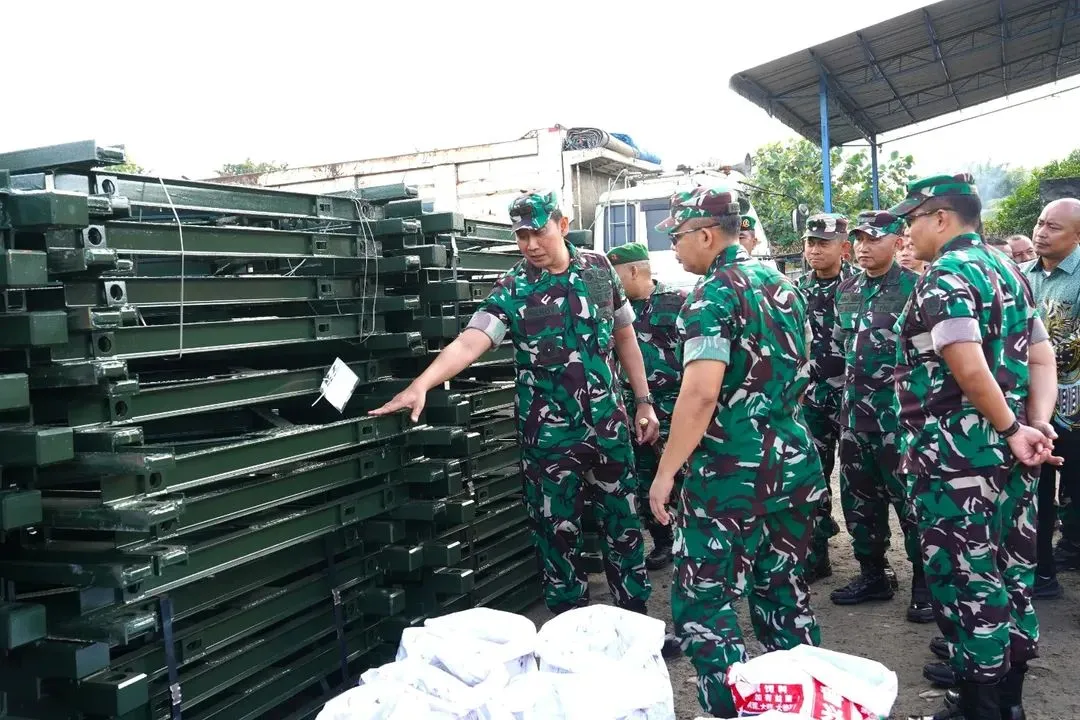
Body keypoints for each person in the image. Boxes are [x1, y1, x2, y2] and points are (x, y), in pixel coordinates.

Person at [371, 191, 659, 618]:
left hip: (609, 429)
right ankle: (568, 633)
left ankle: (635, 625)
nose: (530, 245)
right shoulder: (513, 287)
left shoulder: (599, 270)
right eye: (521, 236)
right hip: (549, 439)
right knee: (557, 536)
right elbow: (471, 340)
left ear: (561, 225)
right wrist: (423, 384)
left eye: (538, 232)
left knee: (623, 526)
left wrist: (643, 401)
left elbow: (625, 338)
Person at [647, 186, 823, 718]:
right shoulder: (783, 285)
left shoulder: (712, 295)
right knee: (784, 595)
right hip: (790, 466)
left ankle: (728, 709)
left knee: (705, 602)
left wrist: (665, 473)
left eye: (678, 236)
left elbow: (699, 394)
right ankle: (800, 704)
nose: (675, 249)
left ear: (705, 233)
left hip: (728, 479)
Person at [889, 174, 1061, 720]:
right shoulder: (1008, 268)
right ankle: (1007, 703)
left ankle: (980, 707)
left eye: (910, 219)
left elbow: (966, 363)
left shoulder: (947, 275)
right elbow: (1042, 356)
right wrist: (1033, 423)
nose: (904, 232)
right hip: (1011, 455)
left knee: (966, 581)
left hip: (957, 461)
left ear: (940, 217)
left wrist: (1013, 429)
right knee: (1011, 573)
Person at [830, 211, 932, 623]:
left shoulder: (916, 289)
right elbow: (841, 347)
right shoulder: (848, 290)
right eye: (858, 239)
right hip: (855, 419)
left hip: (899, 421)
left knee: (911, 504)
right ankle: (874, 573)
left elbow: (928, 357)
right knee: (859, 502)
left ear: (897, 241)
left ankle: (925, 585)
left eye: (873, 239)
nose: (863, 247)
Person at [607, 241, 687, 571]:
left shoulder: (678, 301)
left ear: (635, 270)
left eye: (615, 276)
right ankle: (663, 541)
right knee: (643, 477)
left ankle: (691, 539)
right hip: (634, 408)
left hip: (677, 405)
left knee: (684, 473)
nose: (609, 283)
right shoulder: (613, 311)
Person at [796, 213, 859, 583]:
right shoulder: (797, 289)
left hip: (855, 400)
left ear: (843, 247)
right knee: (811, 476)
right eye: (810, 243)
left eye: (824, 243)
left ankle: (873, 563)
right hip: (812, 400)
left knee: (860, 484)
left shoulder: (861, 286)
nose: (815, 250)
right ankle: (816, 553)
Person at [1024, 198, 1080, 599]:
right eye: (1040, 223)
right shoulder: (1022, 274)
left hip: (1076, 409)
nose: (1041, 232)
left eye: (1053, 227)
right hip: (1036, 408)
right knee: (1036, 491)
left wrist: (1030, 354)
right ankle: (1043, 573)